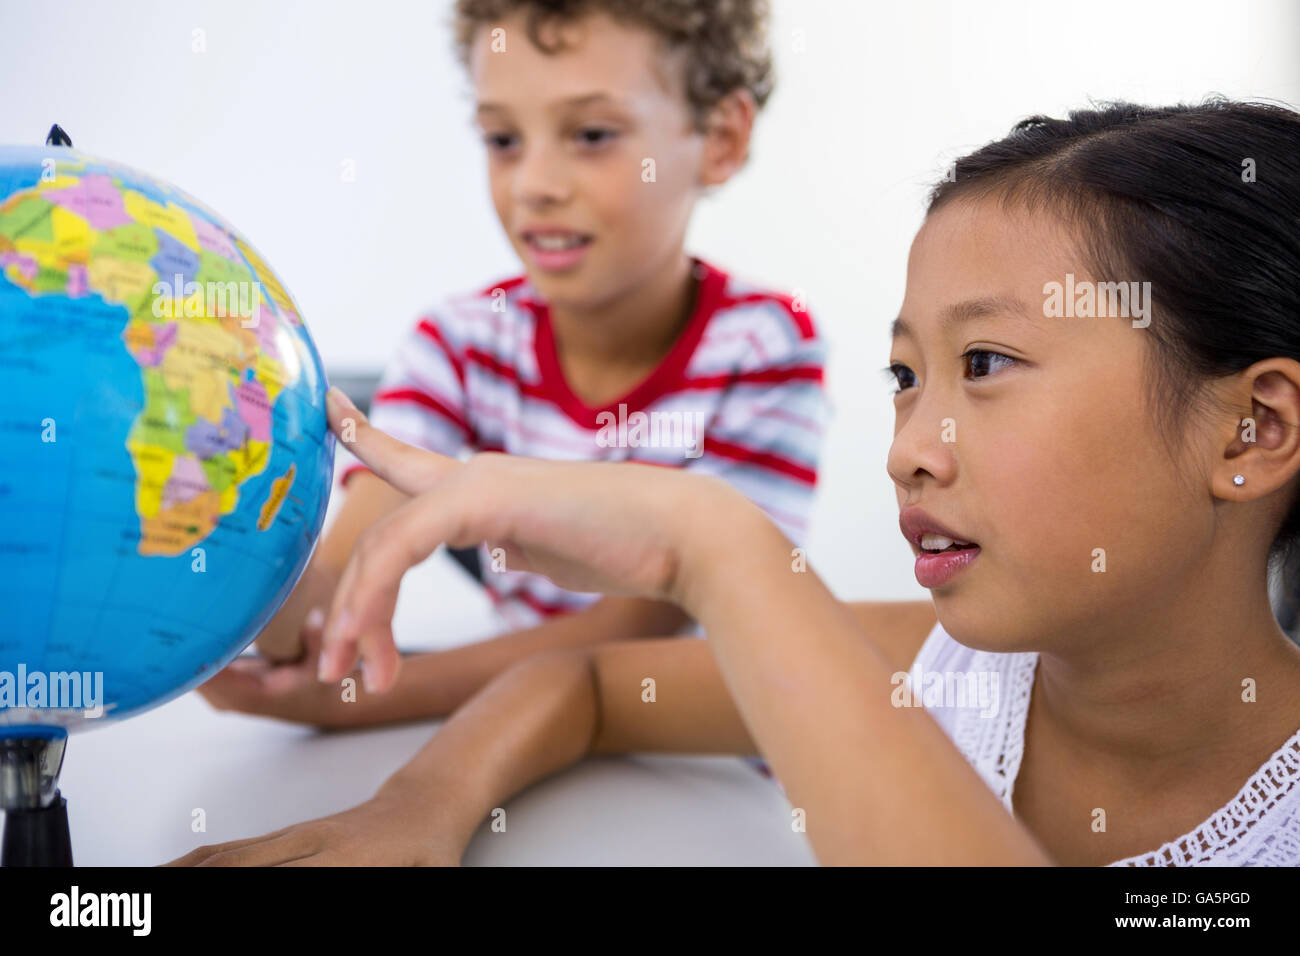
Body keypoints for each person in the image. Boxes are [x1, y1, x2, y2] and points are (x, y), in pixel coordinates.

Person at [172, 99, 1300, 867]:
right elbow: (599, 683)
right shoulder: (947, 675)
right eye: (904, 375)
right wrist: (422, 805)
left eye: (987, 363)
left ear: (1251, 427)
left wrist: (711, 546)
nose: (910, 445)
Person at [209, 0, 827, 724]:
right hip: (517, 745)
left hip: (687, 760)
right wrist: (246, 562)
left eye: (592, 134)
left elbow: (648, 631)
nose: (535, 183)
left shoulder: (765, 346)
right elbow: (339, 585)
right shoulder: (459, 344)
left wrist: (364, 698)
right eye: (503, 138)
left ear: (720, 137)